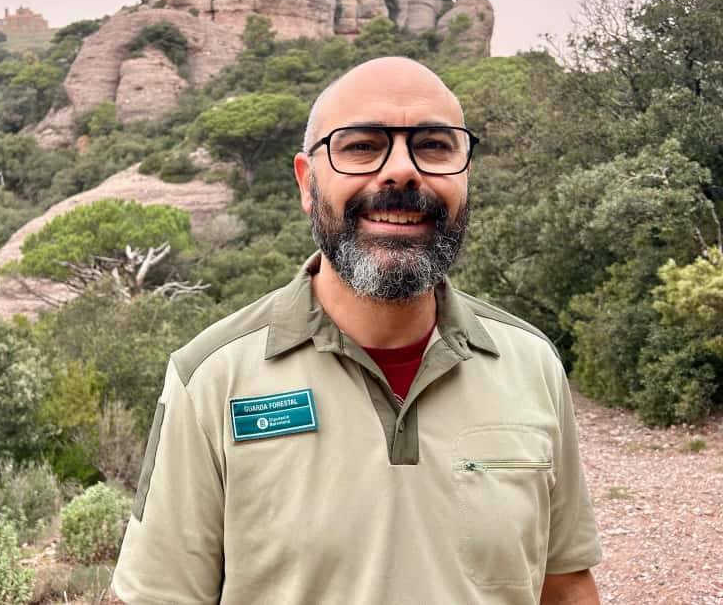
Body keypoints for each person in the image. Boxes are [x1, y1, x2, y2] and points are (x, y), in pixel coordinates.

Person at [112, 57, 602, 604]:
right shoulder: (209, 378)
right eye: (361, 146)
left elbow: (565, 584)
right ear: (306, 181)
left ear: (466, 174)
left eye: (435, 146)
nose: (401, 171)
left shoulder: (531, 362)